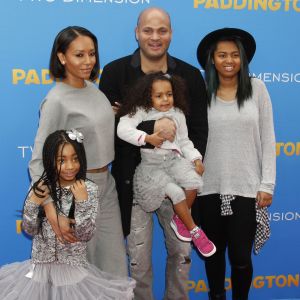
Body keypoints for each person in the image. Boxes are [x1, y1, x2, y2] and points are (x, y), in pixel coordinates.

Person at [99, 7, 208, 300]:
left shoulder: (189, 76)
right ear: (137, 33)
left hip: (175, 181)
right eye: (148, 30)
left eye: (162, 30)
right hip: (132, 182)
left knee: (181, 253)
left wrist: (187, 160)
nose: (155, 37)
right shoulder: (114, 72)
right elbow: (110, 134)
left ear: (171, 34)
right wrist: (153, 128)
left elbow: (197, 131)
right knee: (138, 259)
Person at [29, 26, 127, 277]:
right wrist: (52, 212)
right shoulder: (57, 100)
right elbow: (39, 160)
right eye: (79, 55)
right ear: (62, 57)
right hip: (74, 194)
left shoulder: (94, 90)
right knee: (78, 276)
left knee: (114, 268)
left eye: (91, 54)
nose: (88, 61)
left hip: (106, 187)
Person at [0, 130, 135, 299]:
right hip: (39, 275)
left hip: (73, 277)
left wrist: (82, 201)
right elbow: (29, 228)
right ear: (50, 161)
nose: (70, 166)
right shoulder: (41, 188)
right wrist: (33, 201)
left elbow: (85, 234)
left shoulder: (88, 189)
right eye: (61, 160)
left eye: (75, 158)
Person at [195, 28, 276, 300]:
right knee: (213, 257)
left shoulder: (257, 89)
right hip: (207, 189)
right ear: (212, 59)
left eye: (234, 55)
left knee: (241, 258)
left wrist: (267, 184)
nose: (228, 60)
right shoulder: (200, 93)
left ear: (242, 59)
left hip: (246, 189)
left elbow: (268, 138)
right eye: (221, 55)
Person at [117, 72, 216, 258]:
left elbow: (185, 141)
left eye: (169, 94)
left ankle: (179, 219)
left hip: (173, 162)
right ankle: (194, 230)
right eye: (159, 95)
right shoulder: (141, 111)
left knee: (194, 181)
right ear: (148, 96)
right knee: (176, 192)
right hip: (151, 167)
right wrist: (146, 138)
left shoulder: (178, 113)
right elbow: (122, 129)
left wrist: (196, 159)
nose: (165, 99)